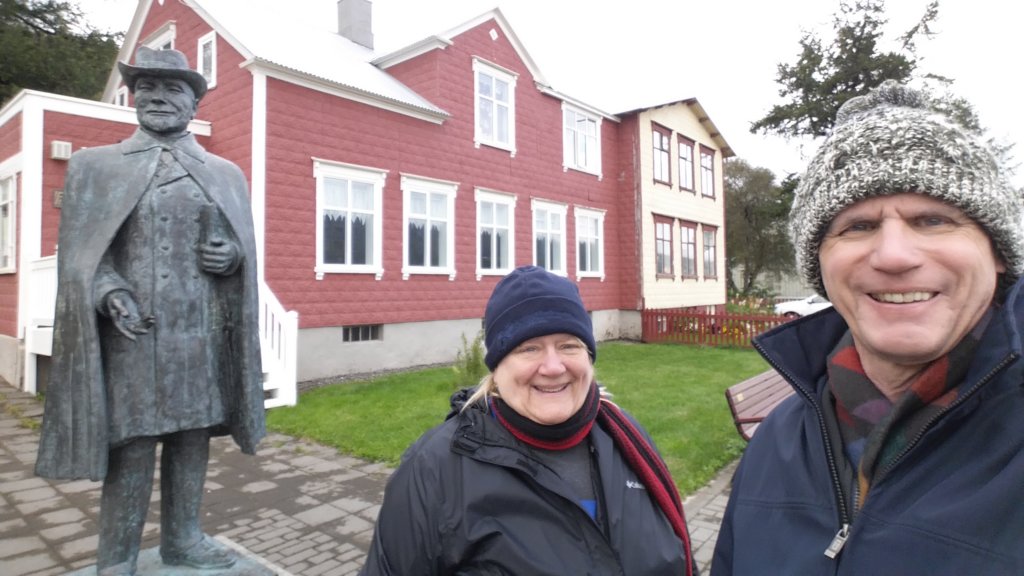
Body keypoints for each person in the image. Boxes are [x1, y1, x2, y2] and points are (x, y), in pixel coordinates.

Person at [712, 80, 1024, 575]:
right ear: (821, 265)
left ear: (999, 254)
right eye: (857, 226)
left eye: (933, 220)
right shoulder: (778, 440)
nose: (894, 256)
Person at [34, 47, 266, 576]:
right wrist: (109, 292)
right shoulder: (96, 167)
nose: (158, 97)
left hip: (199, 336)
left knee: (191, 439)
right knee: (132, 445)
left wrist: (231, 257)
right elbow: (83, 256)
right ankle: (116, 558)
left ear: (194, 102)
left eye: (172, 88)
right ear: (133, 97)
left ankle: (184, 540)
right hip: (132, 338)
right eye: (147, 87)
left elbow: (242, 249)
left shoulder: (226, 173)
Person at [360, 265, 696, 575]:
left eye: (568, 345)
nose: (553, 367)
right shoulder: (434, 472)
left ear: (589, 357)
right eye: (528, 348)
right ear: (497, 367)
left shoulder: (627, 438)